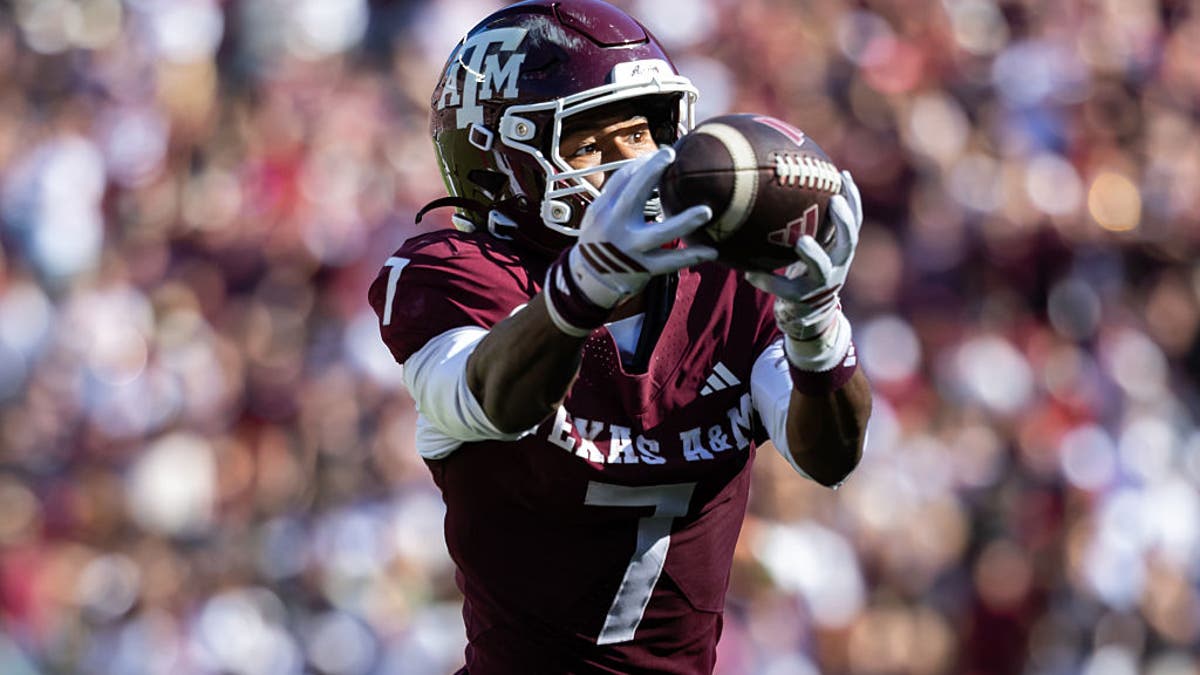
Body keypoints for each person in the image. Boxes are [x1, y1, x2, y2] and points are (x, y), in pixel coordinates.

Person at [368, 1, 872, 672]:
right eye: (586, 143)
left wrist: (815, 330)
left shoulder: (729, 281)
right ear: (499, 163)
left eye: (636, 134)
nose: (628, 166)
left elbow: (829, 456)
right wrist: (584, 287)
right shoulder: (460, 275)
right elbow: (491, 396)